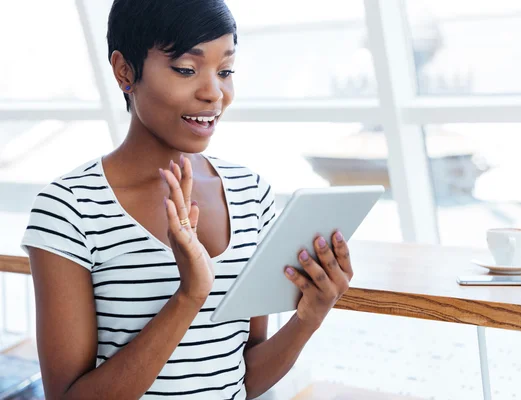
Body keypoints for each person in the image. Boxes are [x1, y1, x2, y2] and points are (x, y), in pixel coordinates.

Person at [19, 0, 353, 399]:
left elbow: (243, 379)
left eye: (226, 71)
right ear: (125, 71)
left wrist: (309, 318)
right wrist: (189, 296)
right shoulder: (70, 208)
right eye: (186, 70)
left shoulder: (251, 195)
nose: (214, 94)